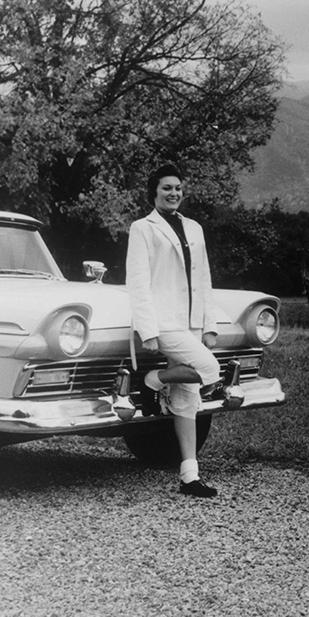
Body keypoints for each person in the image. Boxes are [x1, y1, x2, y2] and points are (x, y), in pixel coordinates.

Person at [125, 164, 222, 498]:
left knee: (186, 402)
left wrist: (209, 325)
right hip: (163, 322)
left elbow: (204, 280)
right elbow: (137, 282)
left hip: (192, 322)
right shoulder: (143, 228)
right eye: (167, 188)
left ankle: (189, 477)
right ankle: (154, 380)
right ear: (154, 192)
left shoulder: (193, 228)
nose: (174, 193)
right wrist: (147, 330)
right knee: (209, 369)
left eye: (178, 188)